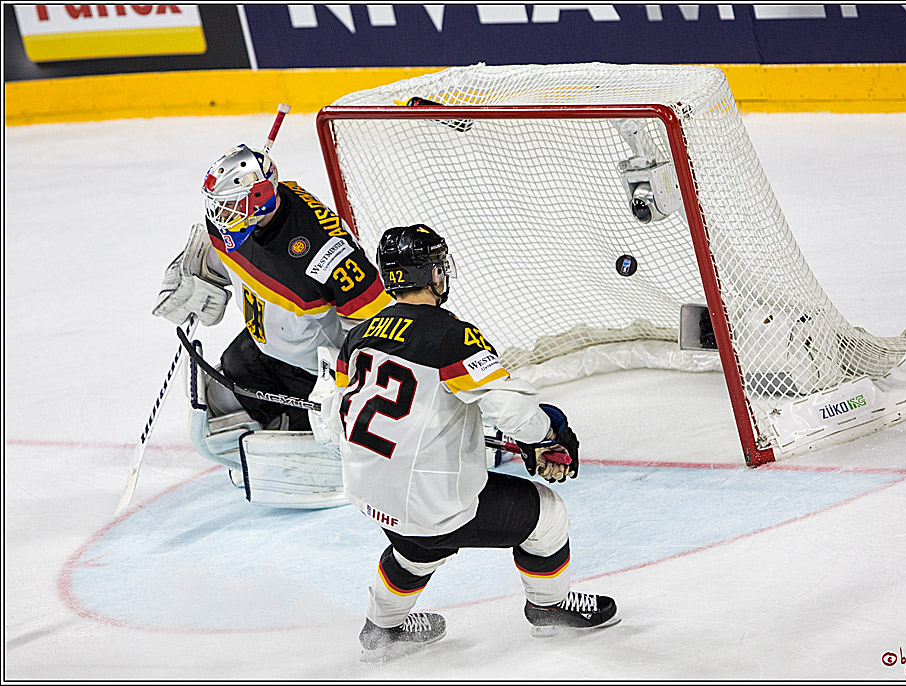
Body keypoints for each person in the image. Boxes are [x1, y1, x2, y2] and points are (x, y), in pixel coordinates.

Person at [327, 224, 620, 659]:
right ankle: (549, 608)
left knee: (417, 547)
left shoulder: (356, 336)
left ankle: (382, 630)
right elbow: (512, 410)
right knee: (547, 515)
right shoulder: (449, 335)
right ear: (430, 273)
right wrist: (549, 433)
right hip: (431, 501)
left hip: (369, 491)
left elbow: (337, 421)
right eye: (438, 265)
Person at [152, 142, 392, 482]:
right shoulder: (234, 222)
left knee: (304, 433)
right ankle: (275, 415)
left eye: (231, 206)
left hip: (310, 369)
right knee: (231, 374)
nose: (221, 216)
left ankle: (298, 426)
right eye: (219, 206)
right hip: (264, 340)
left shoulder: (328, 255)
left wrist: (348, 380)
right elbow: (223, 250)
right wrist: (201, 269)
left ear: (262, 197)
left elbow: (377, 324)